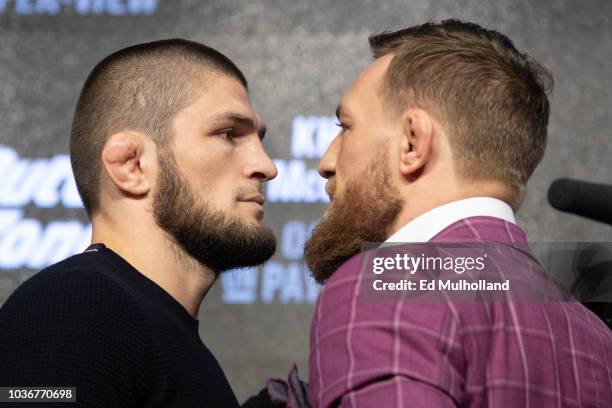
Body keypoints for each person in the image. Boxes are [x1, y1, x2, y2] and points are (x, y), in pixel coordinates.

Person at [304, 20, 612, 407]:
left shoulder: (385, 287)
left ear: (413, 143)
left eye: (345, 126)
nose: (327, 161)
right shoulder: (591, 333)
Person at [0, 39, 278, 407]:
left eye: (258, 139)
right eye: (228, 133)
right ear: (132, 166)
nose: (267, 167)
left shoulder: (149, 330)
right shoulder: (75, 306)